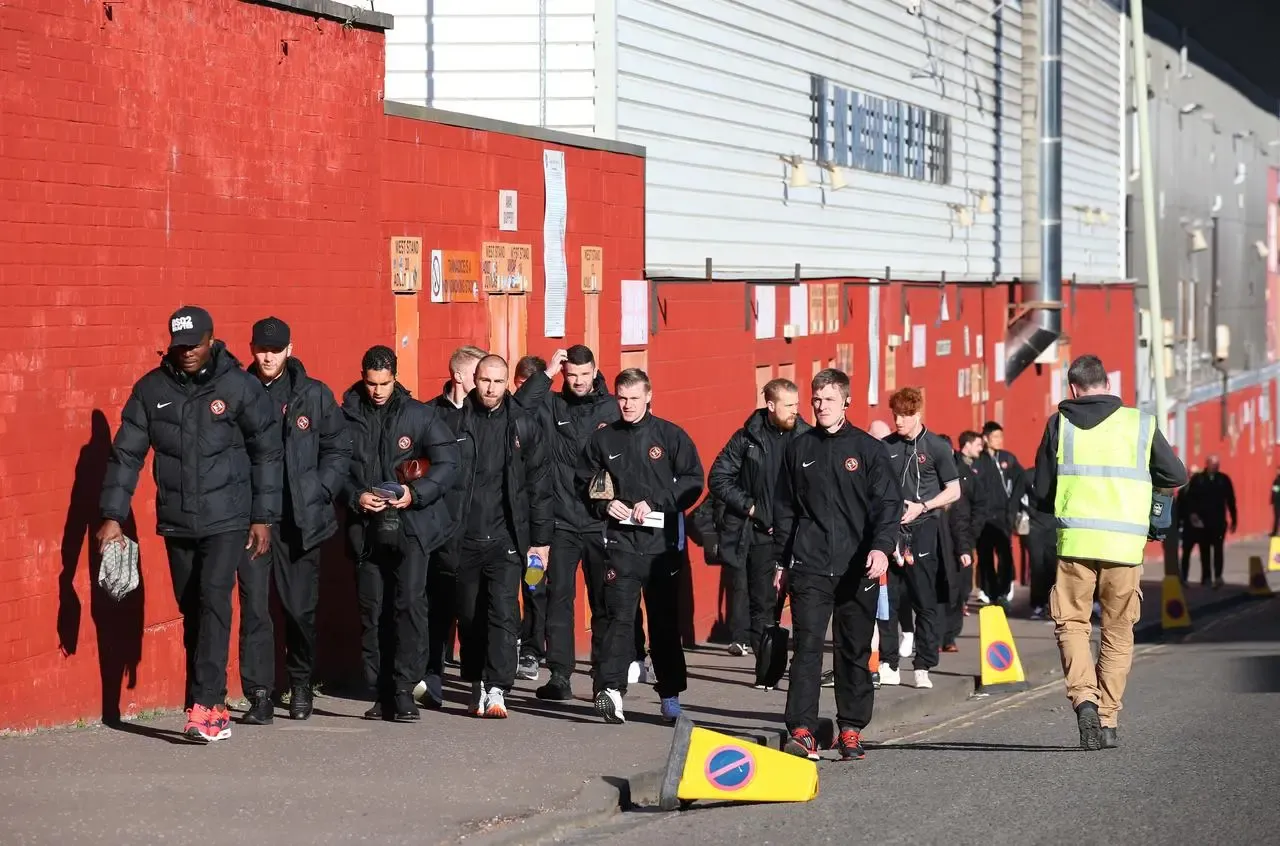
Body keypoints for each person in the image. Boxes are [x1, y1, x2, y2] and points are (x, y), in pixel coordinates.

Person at [98, 306, 283, 743]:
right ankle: (208, 699)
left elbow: (267, 452)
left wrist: (262, 517)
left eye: (195, 345)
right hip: (178, 522)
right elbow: (126, 454)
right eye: (180, 346)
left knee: (214, 597)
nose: (187, 353)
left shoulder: (239, 387)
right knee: (192, 606)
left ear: (212, 339)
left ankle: (205, 706)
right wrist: (112, 516)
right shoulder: (151, 390)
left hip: (229, 518)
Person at [1033, 354, 1186, 750]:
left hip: (1076, 545)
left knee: (1072, 624)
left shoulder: (1059, 424)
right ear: (1107, 382)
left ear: (1072, 389)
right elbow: (1175, 475)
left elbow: (1042, 491)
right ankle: (1107, 718)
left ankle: (1083, 697)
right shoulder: (1140, 423)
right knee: (1118, 631)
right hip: (1124, 546)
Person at [774, 369, 901, 761]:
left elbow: (887, 507)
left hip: (857, 567)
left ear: (846, 402)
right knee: (807, 647)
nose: (820, 406)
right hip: (811, 565)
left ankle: (850, 728)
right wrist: (782, 561)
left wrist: (881, 549)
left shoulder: (869, 450)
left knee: (852, 649)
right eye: (816, 399)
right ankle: (802, 729)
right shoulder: (799, 449)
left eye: (829, 399)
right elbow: (784, 509)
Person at [575, 368, 703, 724]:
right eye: (622, 398)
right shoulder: (604, 440)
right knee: (618, 618)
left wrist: (658, 501)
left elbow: (694, 481)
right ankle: (611, 691)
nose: (628, 405)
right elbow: (585, 481)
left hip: (662, 547)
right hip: (621, 542)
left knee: (663, 623)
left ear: (648, 396)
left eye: (634, 398)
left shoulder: (670, 435)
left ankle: (670, 694)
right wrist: (605, 504)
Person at [341, 345, 460, 722]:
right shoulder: (345, 416)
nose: (377, 390)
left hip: (410, 526)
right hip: (366, 527)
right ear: (363, 376)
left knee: (409, 606)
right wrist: (355, 496)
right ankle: (380, 692)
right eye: (371, 383)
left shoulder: (419, 415)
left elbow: (448, 462)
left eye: (385, 383)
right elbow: (332, 466)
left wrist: (415, 494)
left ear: (395, 377)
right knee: (372, 609)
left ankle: (405, 689)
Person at [243, 316, 353, 722]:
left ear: (290, 349)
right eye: (260, 348)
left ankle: (301, 682)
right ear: (251, 349)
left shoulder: (314, 394)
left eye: (275, 349)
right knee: (255, 608)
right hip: (253, 519)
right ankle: (259, 694)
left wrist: (319, 489)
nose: (267, 356)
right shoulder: (239, 391)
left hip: (299, 519)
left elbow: (339, 447)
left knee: (299, 609)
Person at [441, 355, 552, 717]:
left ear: (508, 383)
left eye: (499, 382)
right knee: (470, 616)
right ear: (474, 379)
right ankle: (476, 681)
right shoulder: (454, 422)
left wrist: (540, 541)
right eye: (485, 381)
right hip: (465, 537)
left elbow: (539, 486)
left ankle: (498, 688)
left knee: (504, 612)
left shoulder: (523, 423)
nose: (491, 389)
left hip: (507, 538)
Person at [514, 345, 625, 700]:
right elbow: (519, 407)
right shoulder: (552, 403)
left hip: (602, 525)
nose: (577, 381)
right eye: (570, 375)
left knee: (604, 605)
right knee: (558, 601)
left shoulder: (612, 408)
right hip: (561, 523)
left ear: (595, 371)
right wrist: (546, 374)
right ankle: (560, 677)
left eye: (583, 374)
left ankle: (605, 682)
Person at [708, 378, 811, 657]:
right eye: (788, 405)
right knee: (750, 596)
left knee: (769, 602)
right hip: (748, 530)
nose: (795, 410)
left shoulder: (807, 438)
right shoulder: (746, 438)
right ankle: (759, 660)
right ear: (770, 405)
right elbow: (718, 478)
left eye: (796, 404)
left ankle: (768, 668)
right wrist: (751, 507)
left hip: (788, 531)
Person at [878, 387, 960, 689]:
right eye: (895, 414)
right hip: (890, 532)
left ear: (917, 414)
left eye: (905, 415)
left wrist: (923, 506)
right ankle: (889, 662)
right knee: (888, 601)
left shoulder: (937, 447)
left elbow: (954, 490)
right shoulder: (885, 446)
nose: (898, 421)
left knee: (924, 601)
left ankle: (923, 664)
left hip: (924, 528)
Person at [941, 431, 985, 649]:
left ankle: (948, 636)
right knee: (935, 591)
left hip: (961, 540)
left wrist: (969, 540)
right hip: (936, 540)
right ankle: (934, 638)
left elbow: (976, 508)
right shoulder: (930, 475)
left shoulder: (963, 474)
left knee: (958, 590)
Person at [974, 421, 1024, 608]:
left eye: (1001, 436)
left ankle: (1003, 591)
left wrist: (1013, 507)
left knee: (1005, 555)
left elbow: (1021, 481)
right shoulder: (978, 460)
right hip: (983, 518)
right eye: (995, 437)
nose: (999, 440)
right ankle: (990, 592)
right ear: (985, 438)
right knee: (985, 556)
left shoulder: (1008, 458)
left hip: (1003, 516)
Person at [1179, 456, 1237, 587]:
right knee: (1204, 550)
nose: (1216, 466)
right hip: (1202, 523)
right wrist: (1193, 515)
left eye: (1217, 464)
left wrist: (1234, 519)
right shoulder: (1198, 479)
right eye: (1213, 464)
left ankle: (1218, 576)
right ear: (1207, 464)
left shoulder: (1223, 479)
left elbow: (1231, 500)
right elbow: (1190, 499)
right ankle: (1206, 577)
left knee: (1218, 550)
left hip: (1218, 522)